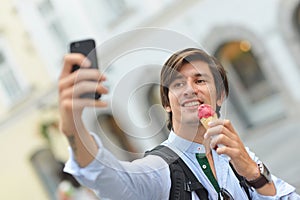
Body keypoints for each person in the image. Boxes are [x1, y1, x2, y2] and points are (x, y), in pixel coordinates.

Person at [59, 48, 300, 199]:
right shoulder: (160, 170)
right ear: (166, 103)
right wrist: (73, 127)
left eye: (200, 80)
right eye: (177, 84)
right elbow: (108, 177)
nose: (189, 90)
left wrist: (253, 173)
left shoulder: (238, 155)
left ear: (219, 96)